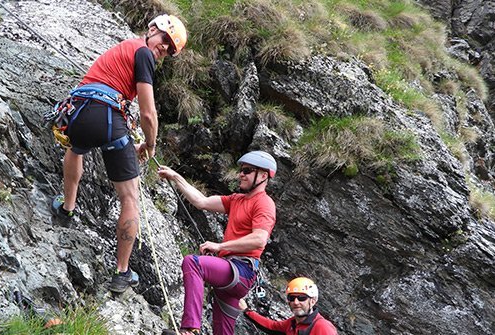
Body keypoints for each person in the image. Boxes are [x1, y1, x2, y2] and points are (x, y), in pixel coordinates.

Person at [50, 14, 188, 293]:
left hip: (76, 113)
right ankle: (121, 272)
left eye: (170, 50)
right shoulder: (143, 54)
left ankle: (67, 208)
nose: (164, 50)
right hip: (107, 117)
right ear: (152, 30)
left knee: (76, 148)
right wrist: (149, 145)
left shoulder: (123, 49)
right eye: (165, 41)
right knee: (129, 197)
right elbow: (148, 114)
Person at [158, 151, 278, 335]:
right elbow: (201, 201)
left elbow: (259, 239)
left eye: (247, 170)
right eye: (241, 170)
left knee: (193, 263)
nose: (241, 174)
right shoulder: (236, 200)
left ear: (263, 176)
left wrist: (221, 247)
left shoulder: (264, 203)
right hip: (231, 274)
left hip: (242, 270)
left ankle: (190, 329)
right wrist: (175, 177)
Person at [239, 277, 338, 335]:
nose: (296, 302)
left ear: (312, 301)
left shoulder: (322, 327)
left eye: (302, 298)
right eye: (292, 298)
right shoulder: (292, 324)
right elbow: (271, 326)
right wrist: (247, 310)